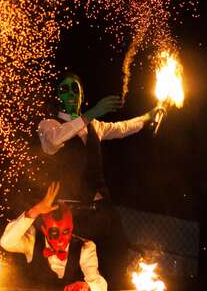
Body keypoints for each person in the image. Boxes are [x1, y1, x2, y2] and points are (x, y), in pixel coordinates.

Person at [36, 72, 161, 287]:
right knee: (77, 274)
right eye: (64, 89)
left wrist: (148, 116)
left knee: (116, 261)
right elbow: (54, 140)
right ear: (57, 96)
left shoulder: (96, 127)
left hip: (103, 210)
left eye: (75, 88)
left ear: (82, 93)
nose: (71, 93)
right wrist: (93, 112)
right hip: (71, 215)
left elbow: (123, 128)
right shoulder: (49, 125)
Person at [0, 182, 107, 291]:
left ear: (71, 228)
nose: (61, 240)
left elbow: (101, 286)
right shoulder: (32, 241)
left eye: (66, 232)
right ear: (44, 230)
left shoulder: (85, 247)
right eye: (55, 233)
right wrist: (35, 211)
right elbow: (6, 242)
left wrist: (87, 286)